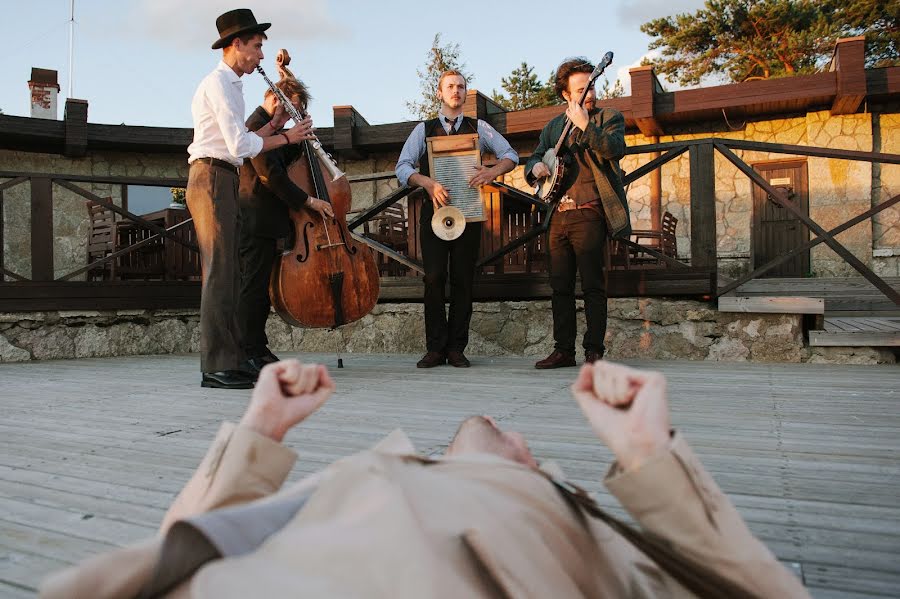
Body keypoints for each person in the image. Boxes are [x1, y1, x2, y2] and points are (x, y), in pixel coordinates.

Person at [42, 359, 810, 599]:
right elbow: (184, 547)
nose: (520, 433)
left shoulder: (601, 541)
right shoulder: (367, 474)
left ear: (537, 472)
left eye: (529, 445)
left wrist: (650, 456)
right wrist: (258, 433)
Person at [186, 8, 314, 390]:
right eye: (257, 47)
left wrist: (276, 126)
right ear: (235, 44)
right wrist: (289, 137)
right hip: (211, 176)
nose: (260, 56)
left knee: (229, 273)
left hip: (220, 177)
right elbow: (240, 145)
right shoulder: (219, 84)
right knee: (221, 275)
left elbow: (242, 138)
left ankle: (234, 359)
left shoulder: (231, 87)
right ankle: (217, 366)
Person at [395, 70, 519, 369]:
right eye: (450, 86)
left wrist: (491, 172)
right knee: (434, 278)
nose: (456, 90)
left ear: (466, 93)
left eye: (461, 86)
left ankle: (456, 349)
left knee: (464, 281)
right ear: (440, 93)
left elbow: (511, 155)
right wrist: (427, 183)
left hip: (468, 215)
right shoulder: (423, 130)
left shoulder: (480, 128)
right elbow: (402, 167)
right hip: (435, 214)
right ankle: (435, 349)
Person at [524, 58, 633, 370]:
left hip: (590, 212)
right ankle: (564, 351)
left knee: (592, 285)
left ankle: (594, 351)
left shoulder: (609, 117)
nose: (589, 94)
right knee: (560, 287)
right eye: (582, 89)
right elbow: (532, 158)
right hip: (557, 214)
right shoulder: (553, 127)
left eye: (592, 86)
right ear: (566, 95)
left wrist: (586, 126)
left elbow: (615, 148)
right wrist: (536, 168)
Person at [237, 74, 334, 377]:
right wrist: (309, 201)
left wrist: (303, 138)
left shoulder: (274, 129)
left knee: (259, 289)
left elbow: (283, 159)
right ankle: (247, 351)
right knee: (252, 289)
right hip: (255, 217)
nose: (291, 116)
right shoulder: (255, 126)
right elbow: (272, 176)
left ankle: (257, 347)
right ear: (275, 99)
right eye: (292, 109)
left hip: (268, 220)